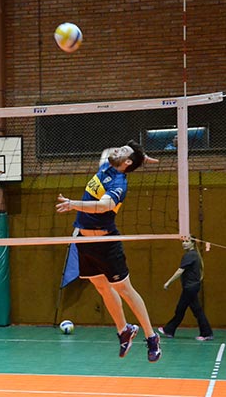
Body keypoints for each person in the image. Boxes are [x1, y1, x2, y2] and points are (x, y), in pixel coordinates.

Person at [56, 140, 162, 362]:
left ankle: (151, 337)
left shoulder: (119, 183)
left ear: (127, 163)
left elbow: (104, 206)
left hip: (106, 242)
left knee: (124, 288)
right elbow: (112, 152)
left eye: (122, 151)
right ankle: (124, 330)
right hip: (84, 241)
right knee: (102, 287)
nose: (116, 149)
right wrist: (142, 158)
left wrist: (73, 204)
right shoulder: (107, 165)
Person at [158, 236, 214, 341]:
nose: (184, 243)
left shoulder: (190, 255)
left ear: (192, 243)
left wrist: (168, 282)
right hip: (192, 287)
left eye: (187, 241)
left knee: (182, 309)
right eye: (183, 241)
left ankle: (169, 329)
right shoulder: (193, 255)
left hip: (190, 288)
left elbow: (180, 271)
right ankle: (170, 330)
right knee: (193, 310)